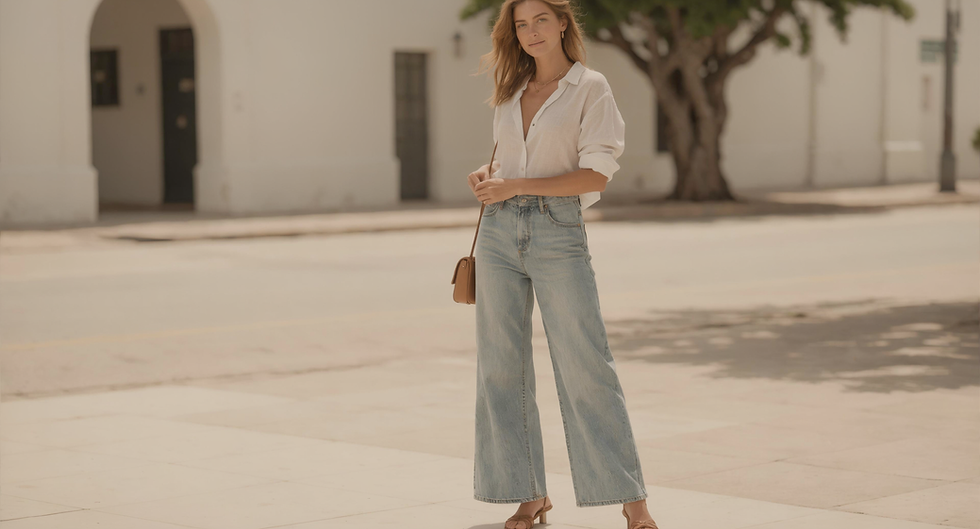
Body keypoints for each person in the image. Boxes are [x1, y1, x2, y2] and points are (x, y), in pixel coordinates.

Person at [466, 1, 660, 528]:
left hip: (557, 230)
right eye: (520, 24)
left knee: (585, 364)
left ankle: (633, 501)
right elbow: (513, 161)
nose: (530, 32)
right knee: (501, 368)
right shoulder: (510, 89)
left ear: (563, 23)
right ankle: (528, 496)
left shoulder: (590, 87)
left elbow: (595, 176)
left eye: (540, 20)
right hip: (500, 233)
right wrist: (490, 175)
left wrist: (519, 184)